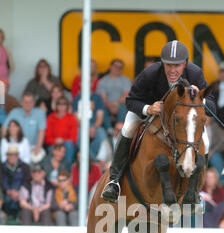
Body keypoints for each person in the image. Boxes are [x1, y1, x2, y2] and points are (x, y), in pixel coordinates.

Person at [101, 40, 216, 202]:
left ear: (185, 64)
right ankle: (114, 181)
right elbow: (130, 101)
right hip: (151, 109)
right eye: (168, 65)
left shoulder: (195, 73)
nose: (172, 70)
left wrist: (199, 97)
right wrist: (147, 108)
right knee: (127, 128)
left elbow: (212, 107)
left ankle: (195, 187)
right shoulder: (151, 73)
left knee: (205, 140)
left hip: (180, 119)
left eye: (177, 65)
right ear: (162, 63)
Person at [2, 91, 46, 160]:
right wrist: (8, 143)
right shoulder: (15, 112)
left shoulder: (39, 113)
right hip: (17, 146)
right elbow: (4, 128)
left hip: (33, 146)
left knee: (38, 158)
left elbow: (42, 130)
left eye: (30, 102)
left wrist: (38, 146)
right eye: (25, 102)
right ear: (21, 103)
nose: (27, 104)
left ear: (34, 103)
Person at [72, 87, 108, 160]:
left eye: (91, 81)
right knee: (79, 136)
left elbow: (100, 118)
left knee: (102, 134)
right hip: (80, 126)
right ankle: (94, 161)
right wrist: (86, 128)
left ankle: (94, 159)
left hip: (94, 125)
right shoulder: (77, 98)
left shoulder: (97, 98)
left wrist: (93, 128)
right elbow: (76, 118)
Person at [45, 97, 78, 170]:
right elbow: (47, 138)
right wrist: (55, 141)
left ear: (67, 106)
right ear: (56, 106)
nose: (62, 106)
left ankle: (66, 171)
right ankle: (51, 173)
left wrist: (63, 140)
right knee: (51, 149)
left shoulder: (71, 118)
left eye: (64, 104)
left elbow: (73, 137)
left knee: (69, 144)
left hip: (66, 144)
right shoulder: (51, 118)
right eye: (59, 104)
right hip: (54, 144)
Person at [0, 145, 31, 221]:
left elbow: (27, 181)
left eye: (15, 155)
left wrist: (19, 192)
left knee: (21, 200)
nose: (13, 157)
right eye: (10, 155)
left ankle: (17, 217)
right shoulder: (1, 167)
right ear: (7, 156)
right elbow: (1, 181)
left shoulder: (25, 167)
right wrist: (9, 191)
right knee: (7, 199)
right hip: (6, 193)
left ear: (18, 156)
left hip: (21, 193)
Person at [96, 58, 131, 125]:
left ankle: (118, 130)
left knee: (123, 107)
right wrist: (110, 106)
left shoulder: (126, 80)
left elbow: (126, 96)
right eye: (116, 66)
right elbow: (103, 99)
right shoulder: (102, 81)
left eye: (120, 67)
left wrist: (115, 104)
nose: (118, 69)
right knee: (101, 108)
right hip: (106, 105)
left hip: (120, 105)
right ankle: (109, 131)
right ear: (110, 67)